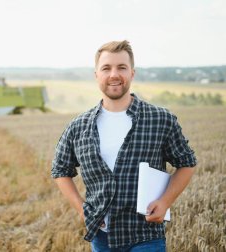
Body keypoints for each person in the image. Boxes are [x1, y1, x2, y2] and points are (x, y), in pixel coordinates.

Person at [51, 40, 197, 251]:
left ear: (132, 73)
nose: (114, 74)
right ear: (96, 75)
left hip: (145, 235)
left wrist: (165, 202)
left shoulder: (160, 119)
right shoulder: (78, 126)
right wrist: (82, 209)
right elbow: (59, 169)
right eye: (106, 68)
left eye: (121, 67)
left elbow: (187, 163)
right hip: (102, 239)